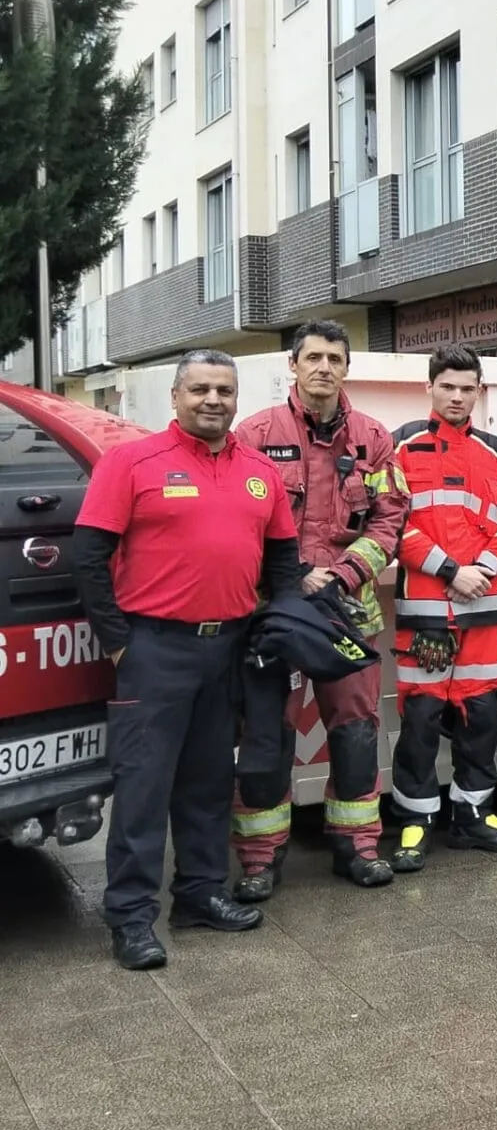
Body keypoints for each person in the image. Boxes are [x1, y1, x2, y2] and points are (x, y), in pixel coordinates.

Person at [73, 350, 301, 970]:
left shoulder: (260, 471)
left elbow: (282, 562)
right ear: (175, 397)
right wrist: (120, 641)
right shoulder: (131, 462)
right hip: (154, 649)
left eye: (224, 390)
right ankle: (130, 917)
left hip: (228, 647)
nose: (213, 400)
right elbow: (89, 557)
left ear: (236, 398)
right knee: (144, 788)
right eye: (199, 389)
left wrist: (278, 629)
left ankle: (200, 896)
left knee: (206, 784)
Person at [229, 321, 406, 899]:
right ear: (294, 365)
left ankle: (355, 847)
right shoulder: (253, 435)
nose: (324, 367)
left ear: (346, 367)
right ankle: (260, 859)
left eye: (334, 357)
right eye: (313, 357)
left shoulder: (374, 437)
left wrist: (344, 572)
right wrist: (293, 578)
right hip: (273, 612)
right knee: (265, 737)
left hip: (348, 611)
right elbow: (233, 522)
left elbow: (390, 517)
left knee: (355, 732)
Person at [388, 345, 497, 871]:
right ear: (429, 387)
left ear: (479, 391)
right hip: (427, 612)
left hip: (482, 614)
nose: (456, 396)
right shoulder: (400, 447)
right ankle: (415, 818)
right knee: (421, 719)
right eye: (447, 386)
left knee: (482, 716)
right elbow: (392, 525)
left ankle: (472, 814)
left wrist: (482, 571)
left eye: (466, 388)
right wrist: (452, 571)